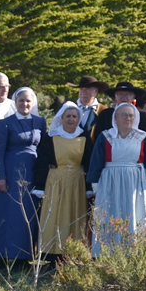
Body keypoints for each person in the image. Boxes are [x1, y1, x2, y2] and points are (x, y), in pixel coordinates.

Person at [0, 87, 45, 264]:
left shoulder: (40, 122)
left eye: (28, 101)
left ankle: (23, 256)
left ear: (33, 103)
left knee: (26, 214)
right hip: (9, 171)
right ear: (15, 102)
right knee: (4, 214)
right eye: (21, 100)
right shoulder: (4, 123)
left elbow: (44, 149)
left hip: (31, 173)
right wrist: (1, 176)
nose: (24, 104)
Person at [86, 102, 146, 257]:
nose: (128, 118)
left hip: (134, 181)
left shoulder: (143, 137)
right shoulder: (105, 136)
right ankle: (106, 253)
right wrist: (95, 182)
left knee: (133, 214)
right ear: (116, 117)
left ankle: (132, 253)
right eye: (124, 115)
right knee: (109, 214)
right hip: (110, 181)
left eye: (131, 115)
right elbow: (96, 160)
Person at [34, 102, 93, 256]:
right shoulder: (52, 136)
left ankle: (73, 252)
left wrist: (89, 187)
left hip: (77, 182)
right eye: (68, 116)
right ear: (61, 118)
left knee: (75, 214)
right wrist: (40, 185)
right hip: (56, 180)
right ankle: (53, 251)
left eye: (74, 116)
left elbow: (88, 162)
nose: (71, 119)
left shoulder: (83, 136)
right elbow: (42, 162)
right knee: (55, 214)